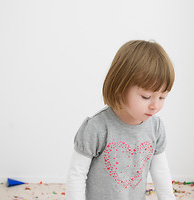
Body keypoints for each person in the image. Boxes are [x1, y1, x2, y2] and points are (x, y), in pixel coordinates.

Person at [66, 40, 176, 200]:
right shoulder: (97, 127)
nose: (155, 105)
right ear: (120, 88)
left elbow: (161, 172)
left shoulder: (156, 127)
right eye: (146, 97)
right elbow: (76, 174)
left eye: (162, 97)